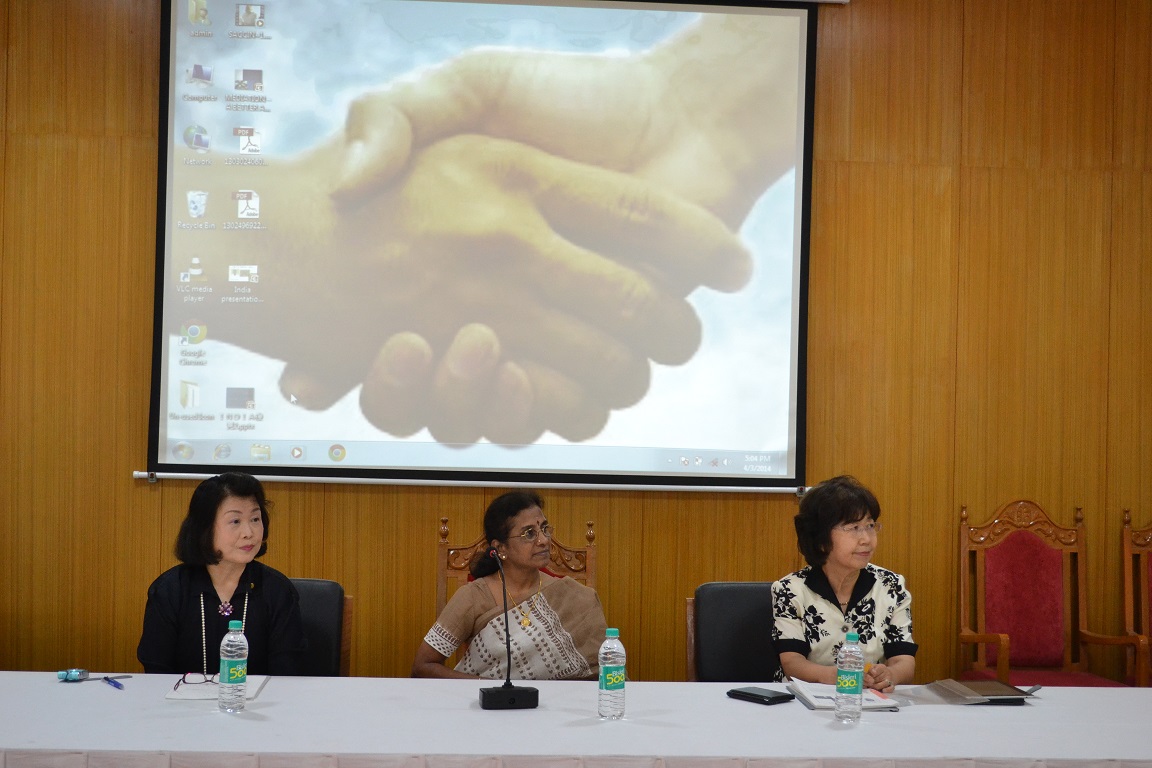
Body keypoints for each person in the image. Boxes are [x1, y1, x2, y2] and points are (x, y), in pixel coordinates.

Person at [412, 490, 607, 679]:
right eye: (529, 534)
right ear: (500, 548)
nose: (543, 540)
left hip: (554, 708)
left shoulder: (573, 596)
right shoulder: (473, 596)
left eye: (545, 529)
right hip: (489, 708)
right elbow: (423, 666)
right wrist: (493, 689)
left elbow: (602, 673)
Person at [137, 472, 307, 676]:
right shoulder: (170, 590)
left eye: (255, 518)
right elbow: (156, 671)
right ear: (204, 528)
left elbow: (287, 674)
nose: (249, 533)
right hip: (182, 704)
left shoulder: (277, 590)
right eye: (235, 521)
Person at [771, 476, 917, 692]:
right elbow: (792, 663)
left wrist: (889, 674)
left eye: (870, 526)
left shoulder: (891, 585)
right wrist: (839, 676)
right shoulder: (789, 590)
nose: (867, 539)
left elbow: (904, 659)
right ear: (821, 539)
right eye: (853, 528)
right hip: (803, 699)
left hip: (868, 700)